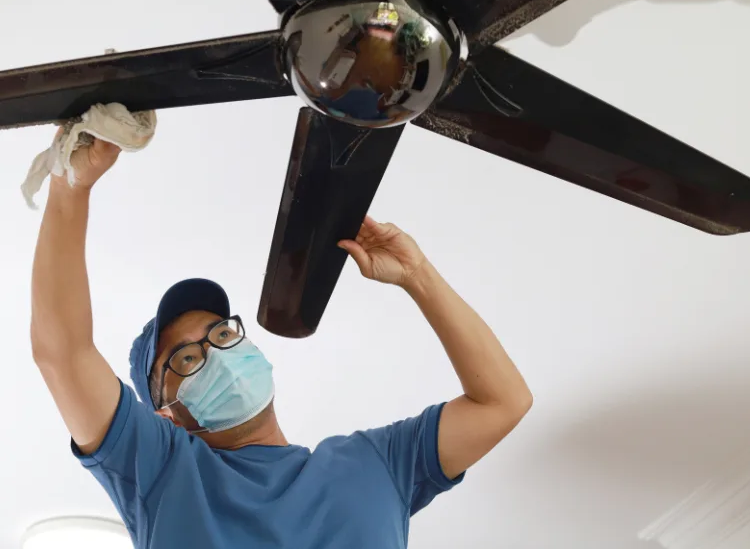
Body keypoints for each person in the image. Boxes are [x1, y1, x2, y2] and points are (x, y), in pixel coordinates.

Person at [30, 133, 533, 549]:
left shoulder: (376, 464)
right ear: (168, 414)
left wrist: (418, 275)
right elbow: (63, 353)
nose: (217, 354)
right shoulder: (166, 473)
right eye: (186, 357)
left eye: (222, 332)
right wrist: (69, 188)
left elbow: (503, 402)